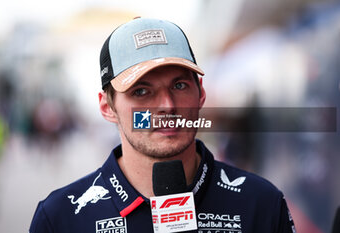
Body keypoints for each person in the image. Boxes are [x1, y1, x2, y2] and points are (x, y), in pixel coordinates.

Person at [29, 17, 295, 233]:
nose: (167, 105)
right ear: (107, 107)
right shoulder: (60, 219)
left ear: (201, 93)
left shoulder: (261, 203)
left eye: (179, 85)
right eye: (141, 92)